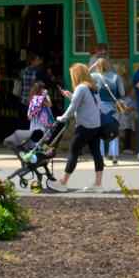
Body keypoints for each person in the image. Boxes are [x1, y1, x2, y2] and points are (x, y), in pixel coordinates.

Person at [56, 62, 104, 190]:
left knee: (74, 151)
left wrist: (62, 118)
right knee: (96, 153)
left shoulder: (80, 88)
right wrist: (71, 96)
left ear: (77, 75)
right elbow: (88, 103)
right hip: (96, 125)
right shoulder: (92, 87)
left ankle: (63, 183)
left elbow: (73, 107)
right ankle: (98, 185)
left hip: (85, 125)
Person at [92, 58, 125, 163]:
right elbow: (122, 93)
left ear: (97, 66)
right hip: (113, 107)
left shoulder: (93, 76)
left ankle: (101, 158)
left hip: (99, 107)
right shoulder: (116, 76)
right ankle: (114, 157)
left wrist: (91, 67)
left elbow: (83, 80)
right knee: (113, 131)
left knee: (99, 133)